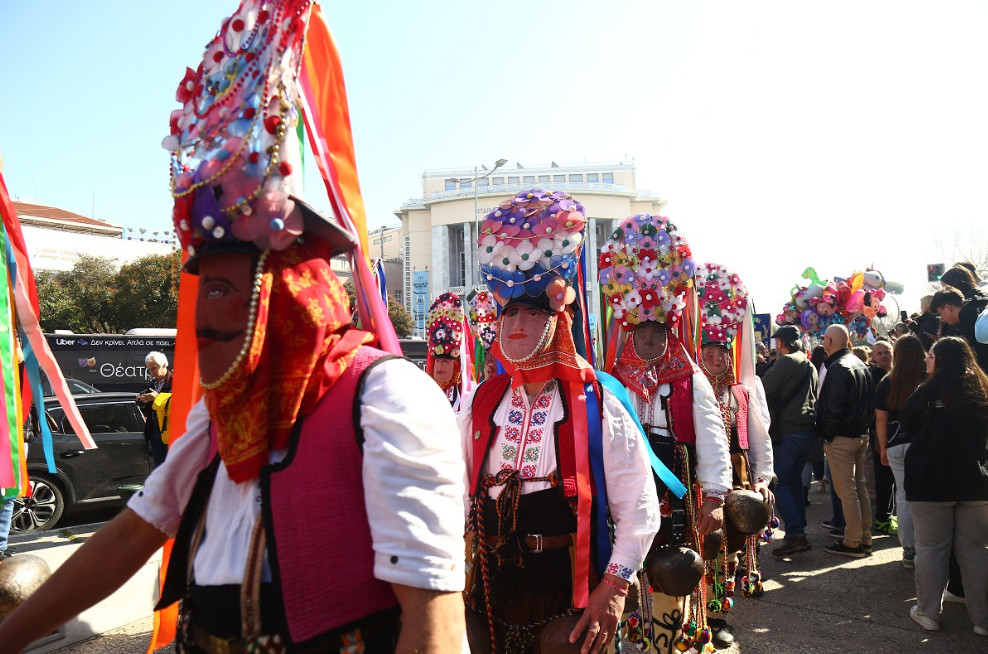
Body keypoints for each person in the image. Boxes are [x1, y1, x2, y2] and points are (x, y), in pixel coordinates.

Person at [0, 3, 468, 652]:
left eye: (220, 289)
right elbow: (131, 535)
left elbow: (435, 629)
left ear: (281, 292)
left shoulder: (385, 400)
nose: (200, 318)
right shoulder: (219, 418)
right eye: (202, 289)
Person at [463, 191, 660, 654]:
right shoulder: (480, 401)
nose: (517, 322)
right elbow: (450, 490)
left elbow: (638, 504)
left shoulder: (597, 403)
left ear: (557, 321)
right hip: (489, 589)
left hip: (567, 590)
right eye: (511, 311)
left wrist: (614, 588)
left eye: (533, 311)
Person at [600, 213, 732, 652]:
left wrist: (715, 496)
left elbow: (712, 437)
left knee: (672, 566)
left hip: (673, 485)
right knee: (621, 562)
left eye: (657, 332)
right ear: (629, 333)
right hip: (623, 485)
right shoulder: (611, 380)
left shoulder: (689, 378)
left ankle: (666, 644)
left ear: (668, 331)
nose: (650, 340)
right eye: (642, 332)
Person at [695, 263, 775, 650]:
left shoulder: (742, 392)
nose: (716, 358)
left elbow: (759, 439)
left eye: (721, 352)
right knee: (702, 550)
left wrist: (763, 479)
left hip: (739, 481)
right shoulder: (687, 393)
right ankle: (694, 615)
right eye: (708, 352)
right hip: (701, 484)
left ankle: (717, 617)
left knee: (730, 553)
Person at [899, 337, 988, 636]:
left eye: (931, 355)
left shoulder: (925, 393)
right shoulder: (982, 391)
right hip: (975, 482)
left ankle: (927, 612)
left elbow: (907, 425)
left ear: (943, 360)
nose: (926, 359)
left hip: (930, 482)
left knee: (931, 549)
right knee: (976, 551)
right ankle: (983, 620)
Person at [818, 324, 876, 558]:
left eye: (825, 338)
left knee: (848, 491)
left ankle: (853, 542)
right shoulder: (859, 364)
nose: (823, 341)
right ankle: (864, 538)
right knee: (858, 489)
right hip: (860, 434)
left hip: (843, 436)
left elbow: (833, 408)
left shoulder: (839, 367)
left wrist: (828, 435)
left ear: (830, 341)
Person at [761, 324, 818, 557]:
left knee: (781, 482)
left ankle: (795, 534)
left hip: (789, 430)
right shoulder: (809, 363)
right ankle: (798, 531)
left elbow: (763, 387)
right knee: (793, 482)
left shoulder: (787, 361)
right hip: (806, 430)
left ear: (781, 342)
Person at [874, 334, 925, 569]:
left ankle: (909, 550)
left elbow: (880, 419)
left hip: (895, 444)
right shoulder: (928, 379)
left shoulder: (887, 381)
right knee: (926, 497)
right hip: (923, 444)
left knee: (903, 496)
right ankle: (926, 547)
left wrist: (883, 447)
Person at [868, 340, 896, 535]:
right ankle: (882, 518)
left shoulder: (899, 374)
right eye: (879, 353)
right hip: (879, 432)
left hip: (897, 430)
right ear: (873, 357)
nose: (884, 356)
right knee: (884, 477)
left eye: (886, 352)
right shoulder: (874, 376)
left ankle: (889, 514)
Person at [931, 285, 988, 372]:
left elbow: (981, 356)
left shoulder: (969, 318)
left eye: (940, 313)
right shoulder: (976, 308)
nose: (941, 318)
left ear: (948, 308)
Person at [426, 291, 468, 408]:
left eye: (444, 362)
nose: (439, 367)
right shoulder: (427, 392)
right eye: (438, 362)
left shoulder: (466, 393)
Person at [136, 351, 173, 467]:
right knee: (159, 467)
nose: (151, 372)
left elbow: (180, 402)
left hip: (170, 430)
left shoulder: (176, 381)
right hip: (155, 431)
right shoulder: (152, 383)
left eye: (154, 368)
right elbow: (146, 405)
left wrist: (157, 397)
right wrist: (142, 402)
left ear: (164, 365)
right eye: (149, 370)